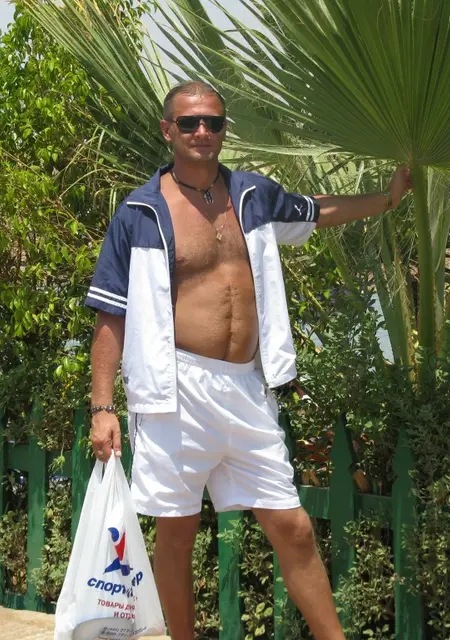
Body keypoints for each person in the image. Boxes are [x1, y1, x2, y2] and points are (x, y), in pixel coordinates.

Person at [86, 80, 411, 640]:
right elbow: (110, 313)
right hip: (174, 394)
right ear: (167, 130)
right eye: (189, 122)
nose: (202, 131)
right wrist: (102, 406)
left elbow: (317, 210)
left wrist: (387, 198)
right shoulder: (140, 212)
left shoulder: (253, 196)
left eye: (213, 121)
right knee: (177, 537)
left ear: (223, 130)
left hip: (245, 387)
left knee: (294, 528)